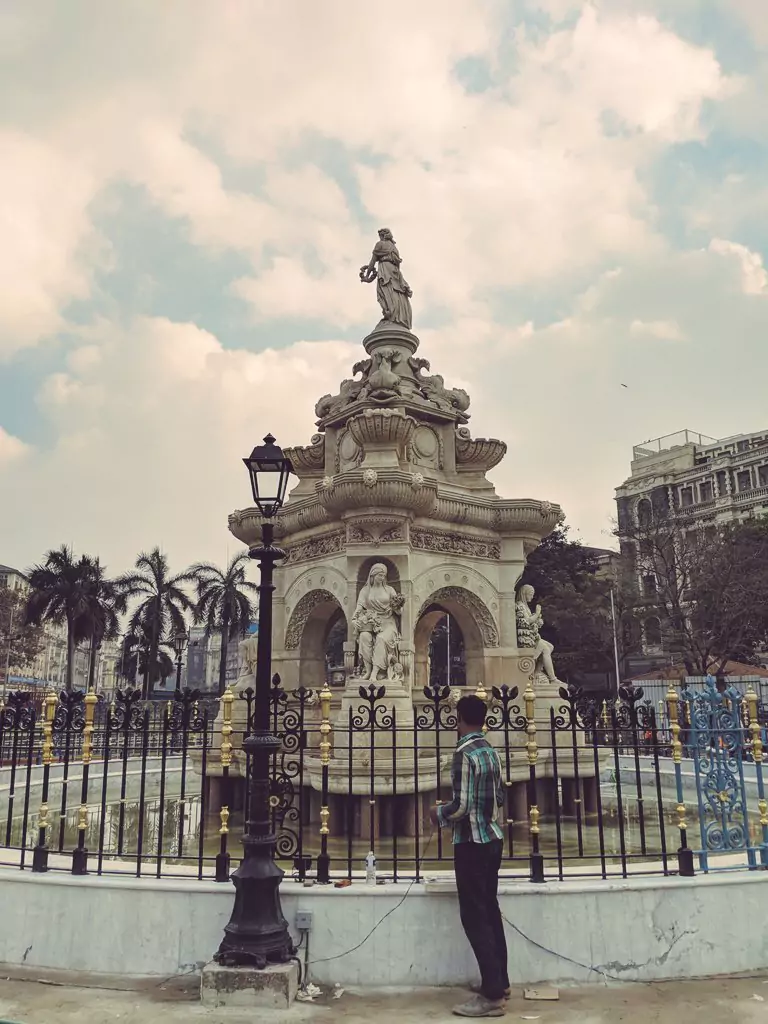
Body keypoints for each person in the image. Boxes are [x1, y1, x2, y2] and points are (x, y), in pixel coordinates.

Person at [430, 695, 509, 1018]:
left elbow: (460, 806)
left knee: (474, 916)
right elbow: (501, 795)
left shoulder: (464, 753)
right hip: (493, 839)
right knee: (490, 909)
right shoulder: (491, 752)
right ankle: (500, 981)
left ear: (459, 718)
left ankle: (491, 996)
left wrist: (438, 814)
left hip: (472, 844)